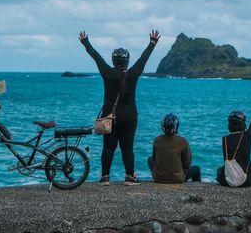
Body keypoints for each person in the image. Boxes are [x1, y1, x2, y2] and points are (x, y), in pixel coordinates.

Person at [79, 29, 160, 185]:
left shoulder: (107, 73)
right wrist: (152, 43)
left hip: (110, 117)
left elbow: (97, 57)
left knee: (108, 147)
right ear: (127, 61)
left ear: (113, 60)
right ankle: (129, 176)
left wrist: (85, 42)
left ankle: (105, 177)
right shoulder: (133, 74)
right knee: (127, 148)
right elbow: (143, 59)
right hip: (129, 117)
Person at [217, 92, 251, 188]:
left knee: (219, 170)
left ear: (229, 125)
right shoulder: (247, 136)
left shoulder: (224, 139)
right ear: (243, 125)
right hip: (245, 181)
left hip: (227, 182)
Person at [147, 113, 201, 183]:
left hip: (158, 178)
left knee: (150, 159)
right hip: (177, 179)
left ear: (163, 126)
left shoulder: (157, 140)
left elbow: (154, 158)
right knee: (196, 169)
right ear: (176, 126)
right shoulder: (183, 141)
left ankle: (161, 176)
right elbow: (187, 163)